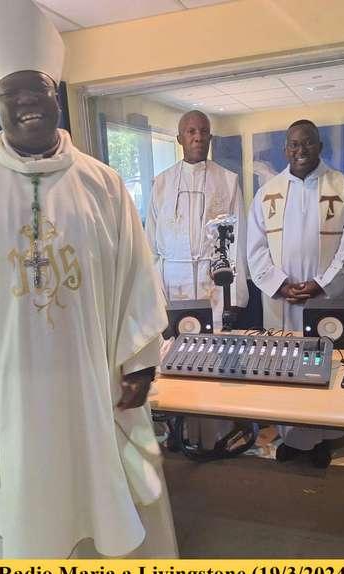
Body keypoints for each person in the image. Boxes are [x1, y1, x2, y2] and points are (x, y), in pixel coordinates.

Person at [0, 0, 178, 574]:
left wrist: (141, 360)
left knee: (105, 484)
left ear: (57, 95)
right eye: (11, 94)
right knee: (28, 497)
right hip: (12, 386)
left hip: (95, 377)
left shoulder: (103, 183)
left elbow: (137, 274)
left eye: (37, 89)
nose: (27, 103)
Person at [247, 120, 344, 468]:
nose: (300, 150)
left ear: (320, 146)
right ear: (285, 149)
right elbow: (255, 248)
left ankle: (324, 438)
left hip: (325, 300)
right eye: (294, 144)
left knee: (325, 366)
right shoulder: (268, 193)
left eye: (307, 143)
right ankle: (291, 437)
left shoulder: (343, 186)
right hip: (282, 302)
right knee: (284, 366)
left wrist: (323, 283)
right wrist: (279, 284)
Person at [146, 109, 249, 452]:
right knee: (175, 358)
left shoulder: (228, 180)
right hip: (173, 281)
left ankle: (215, 435)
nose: (197, 137)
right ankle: (178, 432)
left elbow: (238, 242)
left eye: (203, 131)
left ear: (210, 137)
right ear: (179, 138)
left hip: (213, 282)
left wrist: (236, 297)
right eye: (190, 131)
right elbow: (150, 246)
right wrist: (155, 298)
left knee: (213, 358)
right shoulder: (161, 183)